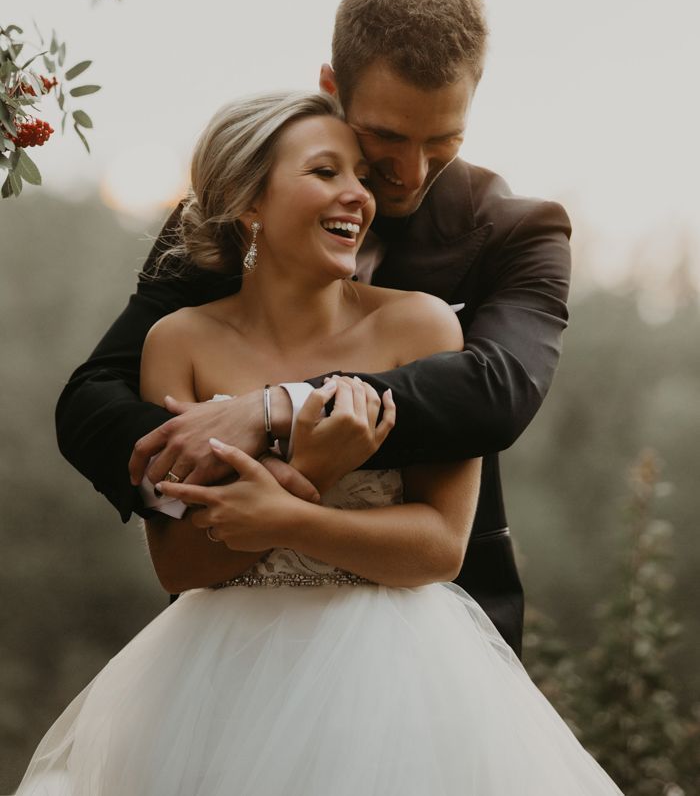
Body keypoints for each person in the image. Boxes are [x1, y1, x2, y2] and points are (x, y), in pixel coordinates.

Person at [15, 93, 622, 796]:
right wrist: (307, 469)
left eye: (360, 175)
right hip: (215, 684)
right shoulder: (176, 342)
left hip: (396, 677)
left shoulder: (421, 328)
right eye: (326, 171)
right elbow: (180, 567)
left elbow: (440, 547)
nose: (359, 195)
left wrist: (289, 512)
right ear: (249, 203)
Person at [55, 0, 572, 655]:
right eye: (387, 136)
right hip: (230, 631)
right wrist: (203, 471)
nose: (411, 173)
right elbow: (94, 399)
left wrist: (273, 410)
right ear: (332, 88)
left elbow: (495, 391)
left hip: (429, 634)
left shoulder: (520, 232)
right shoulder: (228, 215)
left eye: (442, 140)